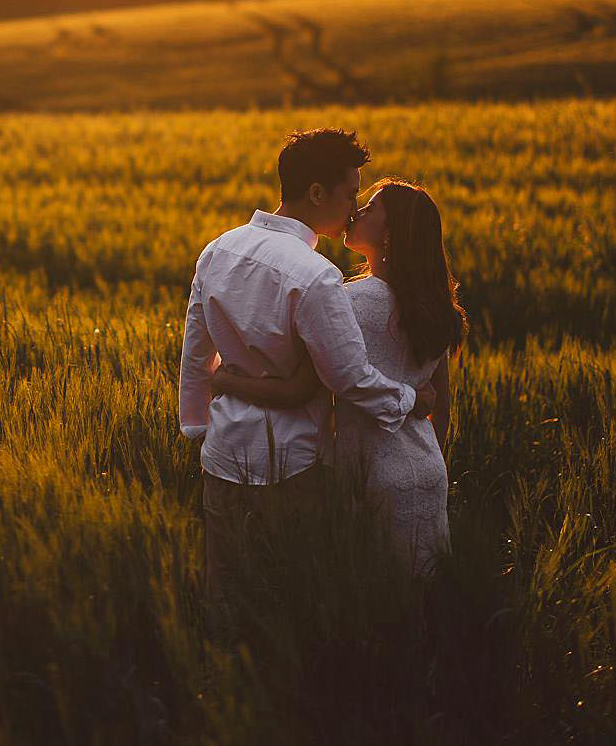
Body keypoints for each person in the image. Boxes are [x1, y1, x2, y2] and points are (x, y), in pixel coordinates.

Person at [178, 128, 436, 639]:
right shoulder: (315, 276)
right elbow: (351, 378)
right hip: (292, 467)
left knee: (226, 596)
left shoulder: (218, 249)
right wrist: (413, 399)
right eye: (348, 195)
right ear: (317, 194)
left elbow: (194, 353)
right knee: (288, 598)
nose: (352, 209)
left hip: (223, 456)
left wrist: (198, 428)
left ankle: (222, 691)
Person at [212, 179, 466, 574]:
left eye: (368, 209)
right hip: (429, 474)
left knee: (372, 608)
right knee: (421, 607)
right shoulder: (438, 308)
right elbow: (443, 409)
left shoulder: (347, 303)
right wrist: (431, 460)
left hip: (370, 478)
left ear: (388, 233)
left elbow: (298, 389)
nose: (355, 212)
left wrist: (224, 381)